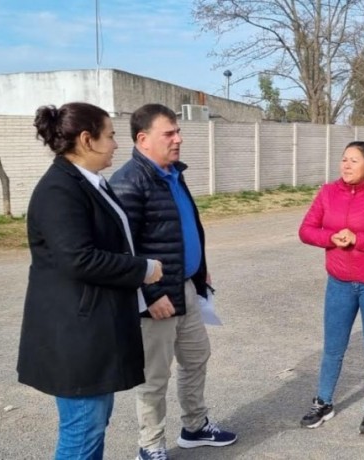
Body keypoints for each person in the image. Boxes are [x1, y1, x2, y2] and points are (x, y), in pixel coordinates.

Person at [17, 102, 163, 460]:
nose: (116, 144)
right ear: (87, 139)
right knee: (81, 434)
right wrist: (143, 269)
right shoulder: (59, 190)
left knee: (93, 428)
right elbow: (77, 258)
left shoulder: (90, 183)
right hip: (76, 338)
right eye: (110, 136)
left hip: (94, 331)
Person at [109, 104, 237, 460]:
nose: (179, 138)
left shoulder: (172, 174)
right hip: (156, 299)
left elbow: (185, 226)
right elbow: (124, 249)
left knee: (196, 357)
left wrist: (199, 270)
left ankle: (194, 427)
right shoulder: (128, 182)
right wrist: (150, 295)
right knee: (154, 376)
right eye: (170, 133)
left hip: (186, 288)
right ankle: (150, 446)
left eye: (178, 131)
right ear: (143, 139)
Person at [298, 140, 364, 435]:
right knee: (333, 348)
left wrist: (358, 238)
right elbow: (306, 231)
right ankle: (324, 402)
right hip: (339, 284)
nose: (346, 165)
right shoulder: (327, 192)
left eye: (353, 160)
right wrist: (331, 237)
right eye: (344, 159)